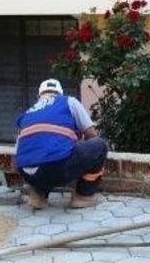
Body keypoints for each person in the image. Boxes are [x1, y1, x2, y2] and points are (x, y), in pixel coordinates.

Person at [14, 78, 108, 209]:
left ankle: (38, 195)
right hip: (57, 168)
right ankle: (83, 196)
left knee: (40, 153)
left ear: (39, 96)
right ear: (60, 94)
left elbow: (18, 152)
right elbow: (91, 135)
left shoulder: (26, 114)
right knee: (100, 146)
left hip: (27, 173)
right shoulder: (68, 101)